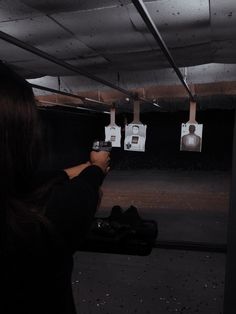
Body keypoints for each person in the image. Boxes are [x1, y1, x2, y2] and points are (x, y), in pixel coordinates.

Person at [0, 61, 110, 314]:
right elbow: (85, 196)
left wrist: (77, 169)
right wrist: (96, 168)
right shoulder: (38, 226)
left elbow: (29, 182)